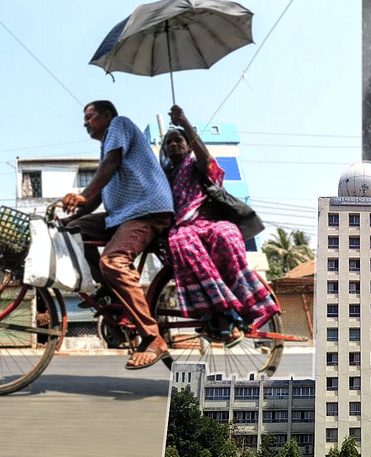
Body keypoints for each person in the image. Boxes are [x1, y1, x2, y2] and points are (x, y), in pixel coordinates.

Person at [62, 100, 174, 370]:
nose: (85, 123)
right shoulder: (106, 151)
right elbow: (93, 200)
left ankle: (152, 337)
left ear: (108, 115)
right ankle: (108, 290)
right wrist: (66, 218)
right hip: (121, 216)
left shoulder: (119, 125)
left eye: (90, 117)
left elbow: (109, 166)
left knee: (112, 261)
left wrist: (83, 194)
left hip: (146, 210)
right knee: (70, 231)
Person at [162, 105, 280, 342]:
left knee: (227, 233)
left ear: (187, 147)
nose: (174, 144)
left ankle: (239, 310)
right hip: (184, 228)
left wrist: (184, 123)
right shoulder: (163, 176)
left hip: (211, 222)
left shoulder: (195, 165)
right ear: (164, 150)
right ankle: (216, 315)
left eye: (179, 141)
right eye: (170, 142)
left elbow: (207, 161)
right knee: (181, 241)